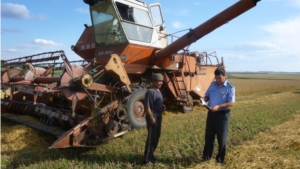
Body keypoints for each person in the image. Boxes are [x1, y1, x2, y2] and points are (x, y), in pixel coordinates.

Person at [201, 67, 235, 164]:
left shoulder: (230, 87)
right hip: (211, 113)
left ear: (225, 76)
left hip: (222, 115)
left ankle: (219, 160)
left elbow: (231, 103)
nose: (218, 80)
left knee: (221, 138)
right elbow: (207, 96)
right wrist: (203, 99)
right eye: (216, 78)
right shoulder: (212, 85)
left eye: (220, 78)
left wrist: (219, 106)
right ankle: (206, 158)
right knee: (209, 137)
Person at [143, 73, 164, 165]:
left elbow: (156, 103)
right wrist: (152, 118)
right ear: (153, 81)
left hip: (159, 114)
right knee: (151, 138)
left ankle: (151, 155)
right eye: (158, 81)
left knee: (156, 136)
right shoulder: (150, 91)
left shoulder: (158, 91)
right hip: (153, 115)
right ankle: (146, 159)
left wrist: (162, 106)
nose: (160, 83)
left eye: (161, 81)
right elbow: (147, 107)